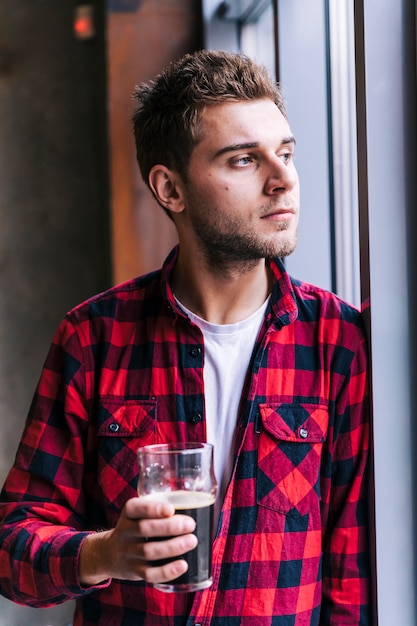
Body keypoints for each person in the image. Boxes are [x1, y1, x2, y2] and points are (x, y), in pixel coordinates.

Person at [0, 49, 371, 625]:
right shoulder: (93, 336)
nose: (283, 180)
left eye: (286, 153)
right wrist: (103, 553)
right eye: (244, 160)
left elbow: (354, 583)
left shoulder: (340, 343)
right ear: (170, 188)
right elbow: (11, 550)